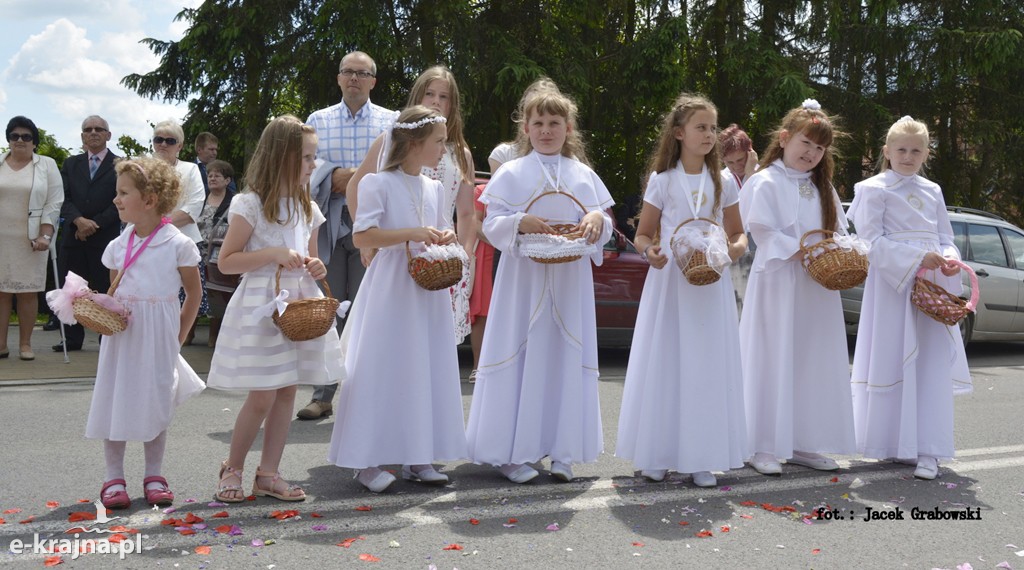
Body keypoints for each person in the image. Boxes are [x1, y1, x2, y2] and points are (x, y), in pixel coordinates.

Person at [465, 86, 614, 483]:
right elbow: (491, 224)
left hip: (569, 283)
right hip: (523, 282)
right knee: (519, 353)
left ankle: (562, 451)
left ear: (568, 128)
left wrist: (599, 222)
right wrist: (519, 222)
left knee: (563, 357)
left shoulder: (584, 175)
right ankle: (512, 453)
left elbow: (602, 220)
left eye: (554, 123)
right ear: (525, 129)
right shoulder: (512, 173)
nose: (546, 130)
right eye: (538, 123)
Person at [328, 106, 468, 492]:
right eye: (439, 141)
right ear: (414, 143)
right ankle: (366, 459)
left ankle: (418, 454)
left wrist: (445, 237)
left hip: (426, 288)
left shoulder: (435, 187)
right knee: (382, 365)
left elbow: (439, 228)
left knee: (422, 365)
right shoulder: (378, 183)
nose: (444, 148)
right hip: (391, 285)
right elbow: (363, 237)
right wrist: (412, 233)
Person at [207, 115, 344, 503]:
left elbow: (314, 259)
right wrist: (272, 254)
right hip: (262, 305)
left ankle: (268, 474)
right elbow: (228, 261)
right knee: (263, 394)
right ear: (280, 156)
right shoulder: (248, 204)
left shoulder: (308, 207)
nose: (313, 165)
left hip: (298, 304)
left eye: (314, 157)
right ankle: (232, 467)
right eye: (305, 157)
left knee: (287, 392)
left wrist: (316, 267)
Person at [616, 94, 749, 487]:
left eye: (713, 128)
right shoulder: (663, 180)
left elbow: (738, 232)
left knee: (705, 365)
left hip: (711, 283)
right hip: (672, 282)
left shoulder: (724, 181)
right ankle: (658, 452)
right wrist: (650, 252)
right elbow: (642, 234)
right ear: (679, 133)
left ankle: (701, 456)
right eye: (701, 127)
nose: (709, 134)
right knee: (668, 361)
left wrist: (735, 249)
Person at [848, 116, 972, 480]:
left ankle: (928, 448)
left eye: (916, 150)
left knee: (928, 360)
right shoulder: (872, 188)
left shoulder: (932, 190)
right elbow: (871, 240)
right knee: (893, 355)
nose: (907, 156)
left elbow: (945, 236)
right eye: (900, 149)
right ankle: (891, 443)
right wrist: (915, 259)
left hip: (932, 283)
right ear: (886, 151)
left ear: (926, 153)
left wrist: (950, 259)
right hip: (894, 283)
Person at [738, 99, 856, 476]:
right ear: (785, 138)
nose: (812, 153)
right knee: (774, 356)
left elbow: (839, 231)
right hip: (778, 282)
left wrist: (838, 251)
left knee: (812, 358)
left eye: (820, 148)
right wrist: (804, 250)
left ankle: (806, 440)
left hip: (817, 286)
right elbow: (762, 232)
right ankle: (762, 443)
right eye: (806, 143)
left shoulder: (823, 188)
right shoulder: (765, 181)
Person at [84, 155, 204, 509]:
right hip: (124, 337)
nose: (116, 200)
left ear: (149, 200)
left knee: (156, 399)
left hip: (159, 336)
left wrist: (177, 339)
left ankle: (154, 473)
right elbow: (115, 297)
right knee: (115, 396)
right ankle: (113, 476)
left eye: (123, 193)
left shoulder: (178, 243)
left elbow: (193, 294)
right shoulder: (117, 245)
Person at [299, 51, 398, 420]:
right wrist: (338, 174)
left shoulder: (392, 121)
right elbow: (306, 167)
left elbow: (397, 169)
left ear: (374, 80)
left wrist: (350, 178)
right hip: (329, 224)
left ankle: (367, 395)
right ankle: (322, 395)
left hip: (374, 228)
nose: (354, 78)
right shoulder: (317, 120)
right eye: (347, 72)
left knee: (369, 310)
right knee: (329, 307)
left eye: (362, 73)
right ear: (339, 78)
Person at [347, 65, 477, 346]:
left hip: (440, 259)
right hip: (397, 253)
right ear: (418, 96)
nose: (436, 102)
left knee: (434, 337)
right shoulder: (391, 140)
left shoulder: (460, 154)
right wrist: (369, 238)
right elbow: (356, 186)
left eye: (444, 97)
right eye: (429, 94)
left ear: (453, 105)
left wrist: (464, 256)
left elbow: (466, 212)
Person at [53, 115, 119, 353]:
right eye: (88, 129)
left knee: (104, 289)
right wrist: (79, 222)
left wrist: (94, 225)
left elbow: (118, 203)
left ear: (108, 135)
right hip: (74, 236)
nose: (93, 132)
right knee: (72, 290)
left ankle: (106, 338)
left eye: (99, 129)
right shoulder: (71, 164)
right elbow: (64, 197)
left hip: (104, 239)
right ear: (82, 136)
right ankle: (71, 339)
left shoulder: (119, 164)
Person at [0, 116, 63, 361]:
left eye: (26, 136)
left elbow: (54, 203)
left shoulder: (47, 165)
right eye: (15, 136)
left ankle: (25, 345)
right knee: (1, 292)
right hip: (1, 239)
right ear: (8, 139)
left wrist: (45, 235)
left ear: (34, 142)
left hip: (32, 240)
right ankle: (1, 344)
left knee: (27, 292)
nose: (20, 140)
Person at [152, 120, 209, 345]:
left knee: (183, 296)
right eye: (159, 139)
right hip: (146, 243)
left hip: (182, 241)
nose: (163, 144)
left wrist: (158, 226)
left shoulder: (190, 169)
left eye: (170, 140)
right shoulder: (141, 167)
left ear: (180, 146)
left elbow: (194, 206)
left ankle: (178, 339)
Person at [194, 159, 236, 348]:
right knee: (194, 291)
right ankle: (189, 333)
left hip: (218, 254)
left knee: (216, 294)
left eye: (217, 175)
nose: (212, 178)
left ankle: (214, 336)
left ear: (227, 180)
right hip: (196, 253)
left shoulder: (234, 201)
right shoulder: (199, 199)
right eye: (210, 175)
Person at [718, 124, 757, 189]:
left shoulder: (764, 174)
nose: (736, 167)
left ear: (750, 148)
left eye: (740, 160)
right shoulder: (720, 180)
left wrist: (750, 173)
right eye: (730, 162)